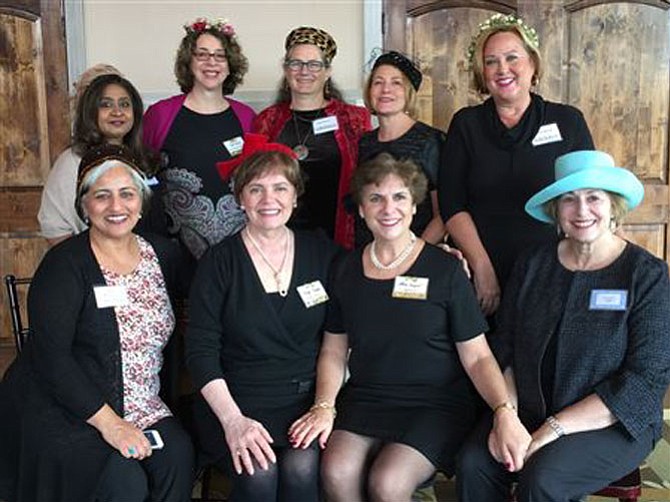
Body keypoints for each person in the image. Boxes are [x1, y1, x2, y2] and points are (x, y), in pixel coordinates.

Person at [288, 153, 529, 502]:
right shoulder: (345, 268)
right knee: (335, 471)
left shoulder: (445, 269)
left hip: (435, 402)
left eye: (399, 196)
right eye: (376, 198)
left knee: (387, 482)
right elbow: (333, 349)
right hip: (368, 396)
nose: (389, 208)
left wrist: (503, 411)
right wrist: (324, 405)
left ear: (415, 206)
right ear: (361, 209)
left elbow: (477, 356)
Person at [456, 150, 670, 502]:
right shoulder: (533, 264)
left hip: (612, 421)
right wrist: (505, 414)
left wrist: (551, 430)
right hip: (528, 407)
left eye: (593, 197)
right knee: (472, 462)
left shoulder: (645, 275)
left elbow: (644, 380)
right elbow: (504, 348)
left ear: (613, 205)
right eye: (569, 199)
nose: (582, 210)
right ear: (556, 210)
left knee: (543, 477)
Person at [0, 144, 194, 502]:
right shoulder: (65, 265)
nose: (116, 207)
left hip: (140, 402)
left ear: (141, 200)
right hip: (67, 407)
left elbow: (206, 303)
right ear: (84, 205)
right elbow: (51, 358)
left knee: (177, 457)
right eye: (101, 196)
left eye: (126, 194)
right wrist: (111, 424)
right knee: (123, 481)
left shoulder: (164, 253)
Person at [185, 133, 341, 501]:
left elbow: (372, 282)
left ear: (295, 196)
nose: (269, 200)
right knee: (259, 474)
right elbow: (201, 352)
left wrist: (324, 407)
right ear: (240, 198)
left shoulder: (323, 254)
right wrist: (233, 422)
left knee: (302, 469)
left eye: (280, 188)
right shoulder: (218, 263)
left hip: (307, 402)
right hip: (236, 403)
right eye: (256, 189)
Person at [438, 13, 595, 316]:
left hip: (553, 266)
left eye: (512, 57)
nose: (502, 69)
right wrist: (483, 269)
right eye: (491, 61)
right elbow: (452, 204)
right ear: (482, 72)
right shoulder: (466, 124)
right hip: (480, 269)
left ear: (533, 64)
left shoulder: (567, 121)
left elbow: (588, 196)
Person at [143, 17, 256, 260]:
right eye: (202, 54)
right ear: (189, 61)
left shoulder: (246, 117)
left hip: (237, 250)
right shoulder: (160, 115)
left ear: (230, 64)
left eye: (220, 55)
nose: (211, 62)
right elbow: (143, 176)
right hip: (174, 250)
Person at [253, 26, 372, 249]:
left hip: (339, 238)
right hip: (279, 240)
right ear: (286, 69)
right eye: (296, 63)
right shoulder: (267, 121)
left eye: (314, 64)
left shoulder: (353, 119)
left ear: (327, 72)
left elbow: (366, 179)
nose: (304, 71)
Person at [38, 71, 156, 246]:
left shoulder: (143, 157)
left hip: (145, 262)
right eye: (106, 105)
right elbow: (55, 230)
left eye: (124, 104)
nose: (117, 112)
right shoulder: (73, 161)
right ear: (91, 112)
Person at [356, 51, 445, 246]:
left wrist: (412, 254)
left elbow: (444, 215)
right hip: (371, 253)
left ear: (409, 92)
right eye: (378, 82)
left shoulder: (431, 141)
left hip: (417, 254)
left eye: (396, 83)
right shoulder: (364, 143)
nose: (385, 89)